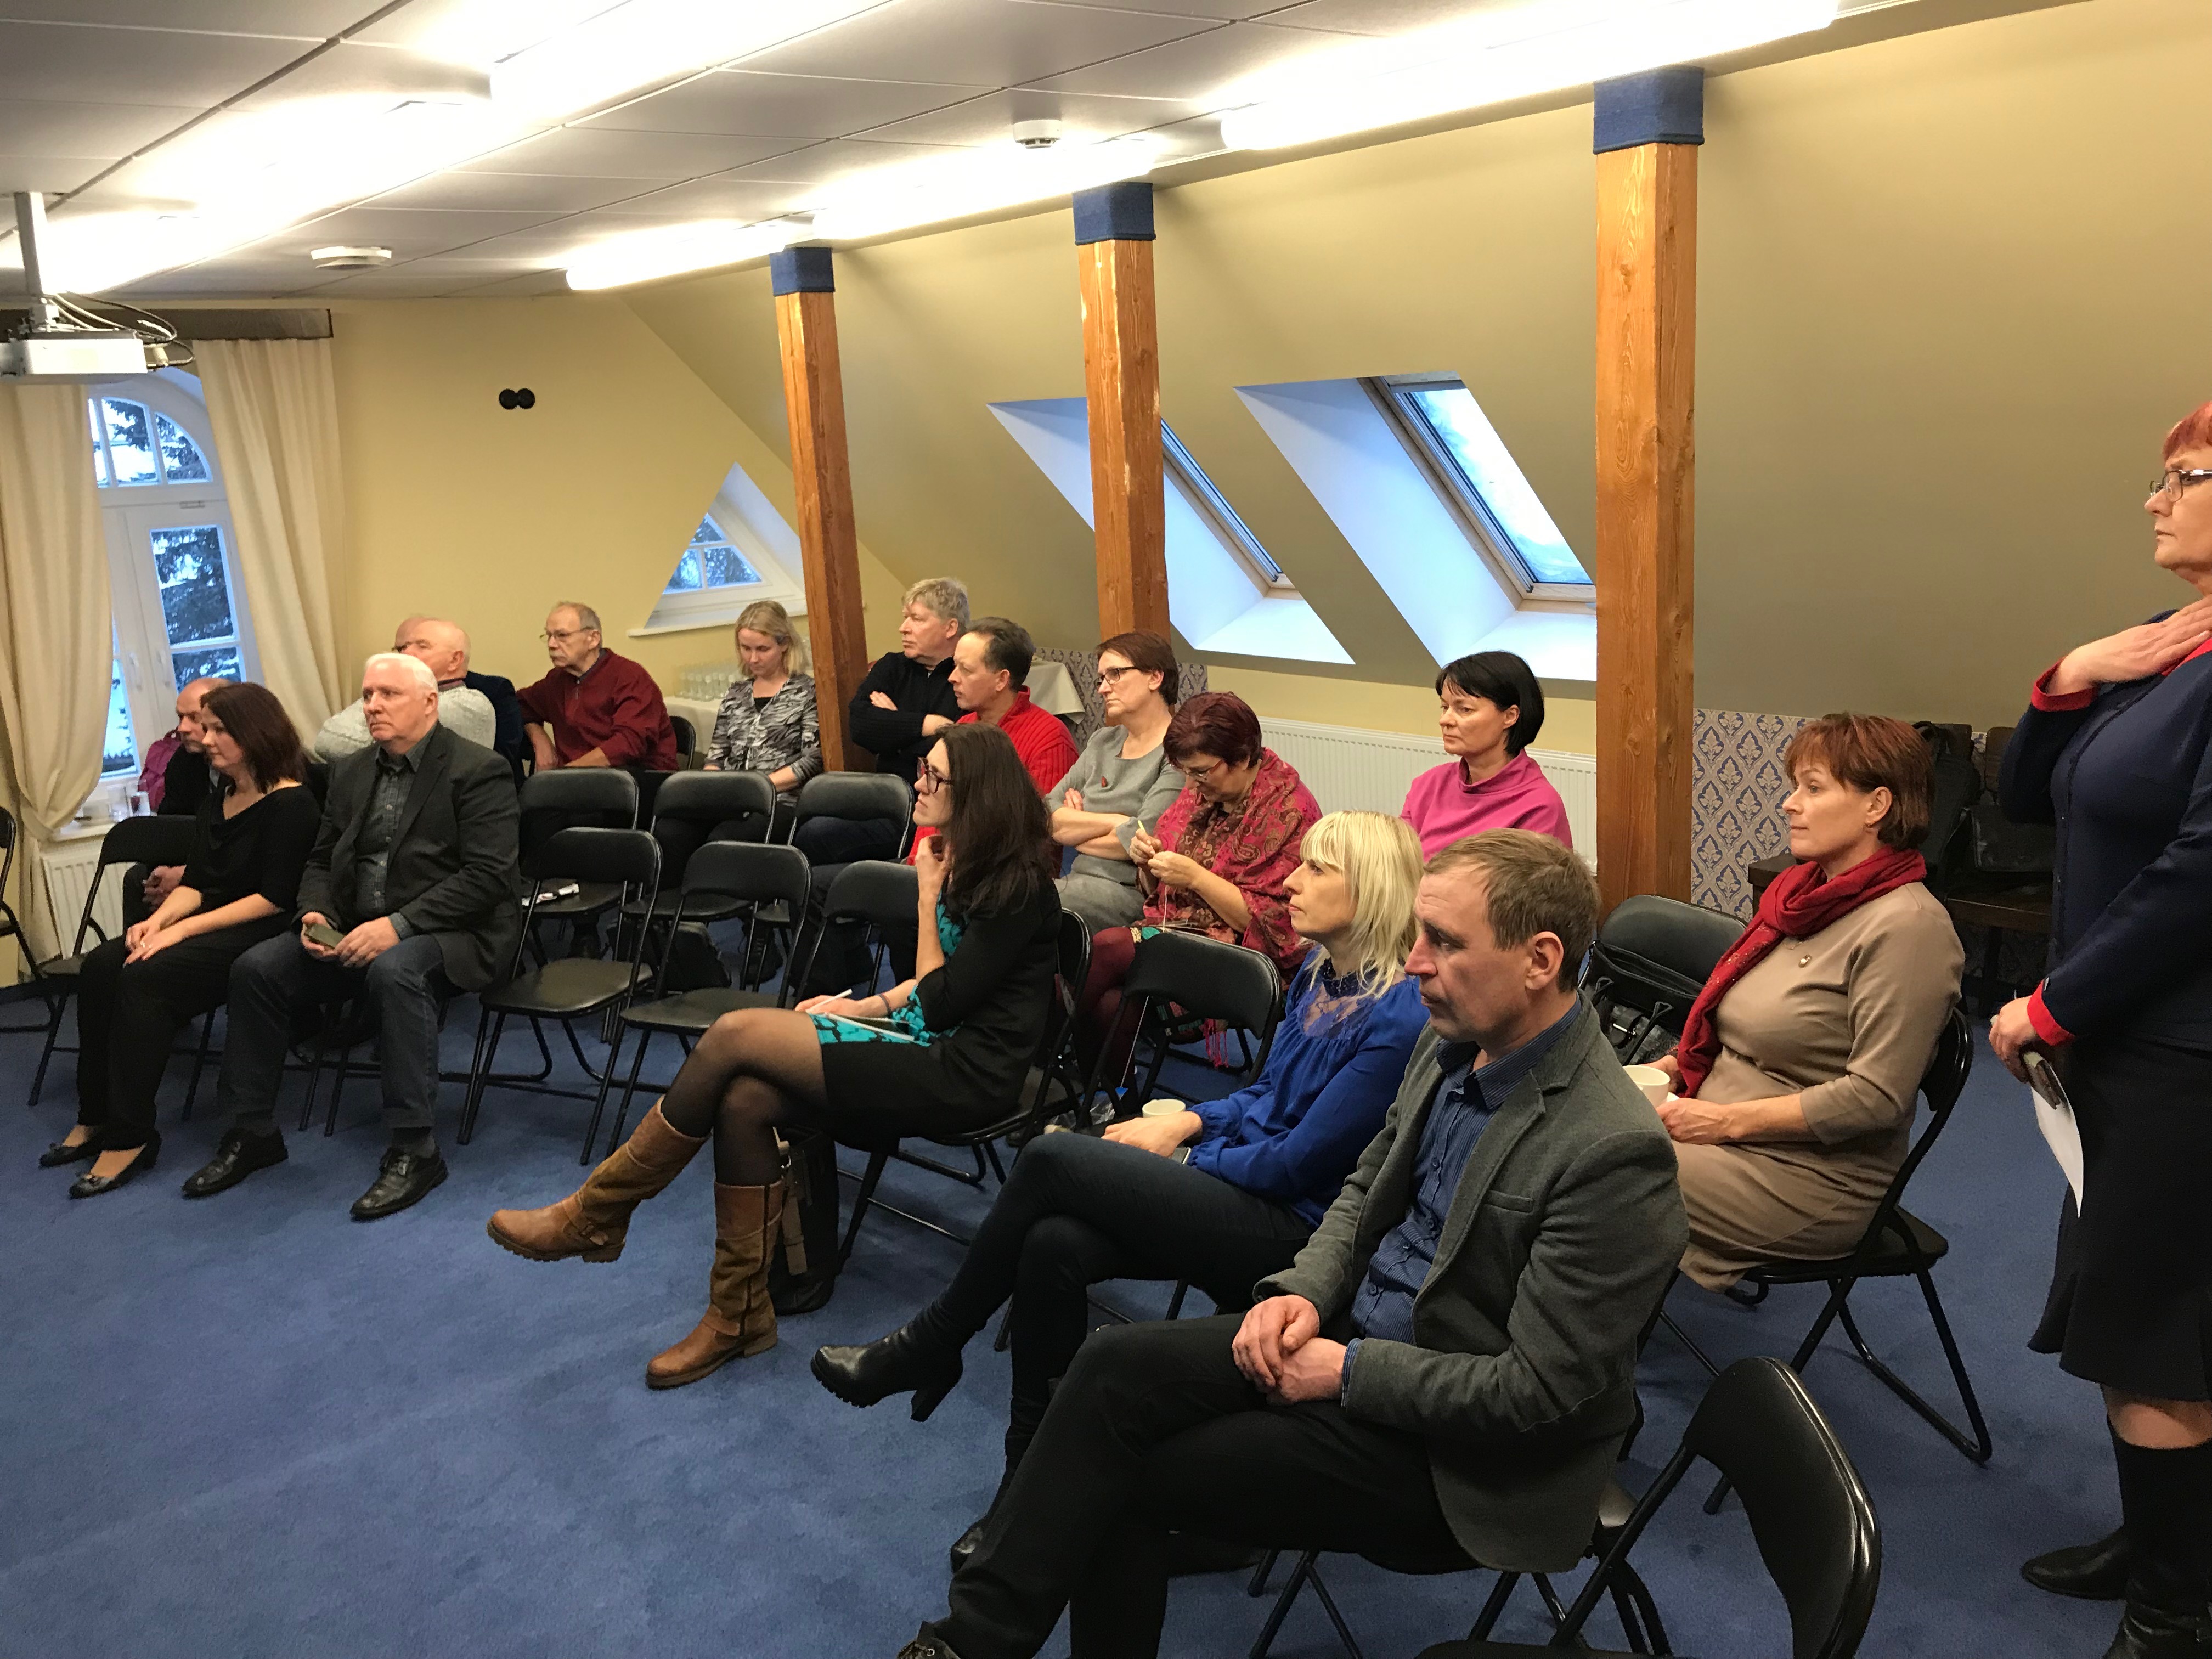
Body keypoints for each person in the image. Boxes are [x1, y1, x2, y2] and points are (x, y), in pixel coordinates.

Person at [890, 830, 1688, 1659]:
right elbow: (1362, 1195)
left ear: (1540, 960)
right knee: (1109, 1368)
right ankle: (968, 1642)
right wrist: (1303, 1291)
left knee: (1123, 1472)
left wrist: (1347, 1370)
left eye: (1445, 943)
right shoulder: (1453, 1041)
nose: (1416, 962)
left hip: (1462, 1459)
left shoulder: (1612, 1152)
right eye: (1419, 934)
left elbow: (1532, 1393)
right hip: (1357, 1335)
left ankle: (971, 1641)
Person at [815, 810, 1428, 1573]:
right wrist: (1188, 1121)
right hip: (1245, 1188)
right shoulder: (1319, 973)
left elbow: (1297, 1164)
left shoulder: (1399, 1018)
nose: (1292, 883)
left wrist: (1184, 1158)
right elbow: (1262, 1099)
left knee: (1052, 1160)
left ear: (1370, 890)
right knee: (1052, 1245)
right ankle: (1024, 1492)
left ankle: (932, 1344)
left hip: (1298, 1232)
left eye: (1316, 870)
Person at [484, 723, 1063, 1389]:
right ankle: (738, 1315)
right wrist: (861, 1006)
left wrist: (927, 898)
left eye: (934, 776)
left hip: (967, 1072)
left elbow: (940, 1001)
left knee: (735, 1034)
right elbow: (933, 988)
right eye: (922, 770)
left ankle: (598, 1212)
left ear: (978, 792)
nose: (918, 783)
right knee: (745, 1099)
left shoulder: (1019, 886)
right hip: (923, 1039)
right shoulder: (962, 857)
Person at [1990, 402, 2212, 1658]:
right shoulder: (2165, 650)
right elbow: (2033, 796)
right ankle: (2164, 1542)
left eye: (2185, 475)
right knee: (2138, 1314)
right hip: (2121, 1045)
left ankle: (2174, 1616)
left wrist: (2053, 1004)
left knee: (2155, 1336)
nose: (2153, 498)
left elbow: (2201, 877)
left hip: (2183, 1051)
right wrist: (2073, 673)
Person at [180, 653, 522, 1221]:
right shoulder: (352, 771)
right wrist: (314, 912)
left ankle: (416, 1148)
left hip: (455, 930)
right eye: (367, 695)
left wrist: (397, 926)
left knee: (396, 970)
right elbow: (321, 859)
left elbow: (488, 878)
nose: (372, 707)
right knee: (257, 969)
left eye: (388, 694)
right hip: (356, 925)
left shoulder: (478, 770)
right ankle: (251, 1131)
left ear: (430, 703)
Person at [1646, 714, 1962, 1289]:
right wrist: (1667, 1069)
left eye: (1813, 788)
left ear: (1877, 806)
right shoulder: (1799, 896)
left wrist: (1723, 1122)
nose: (1790, 804)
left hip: (1810, 1178)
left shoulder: (1910, 929)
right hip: (1721, 1128)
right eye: (1796, 787)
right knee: (1568, 1125)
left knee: (1589, 1163)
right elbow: (1738, 1023)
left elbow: (1876, 1099)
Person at [40, 684, 318, 1197]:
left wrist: (181, 930)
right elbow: (197, 882)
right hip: (213, 919)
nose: (204, 740)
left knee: (145, 976)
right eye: (205, 728)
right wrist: (159, 922)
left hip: (263, 926)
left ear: (255, 734)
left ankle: (131, 1136)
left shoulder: (292, 803)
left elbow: (274, 898)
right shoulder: (221, 797)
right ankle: (95, 1115)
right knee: (103, 965)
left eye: (218, 730)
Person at [1077, 690, 1322, 1077]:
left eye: (1202, 772)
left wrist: (1195, 877)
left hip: (1244, 960)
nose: (1191, 784)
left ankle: (1042, 1035)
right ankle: (1113, 1099)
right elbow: (1160, 894)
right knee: (1111, 1001)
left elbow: (1280, 926)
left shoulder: (1290, 811)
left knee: (1109, 946)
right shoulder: (1202, 791)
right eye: (1186, 772)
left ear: (1243, 758)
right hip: (1180, 936)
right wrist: (1148, 862)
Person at [793, 578, 967, 994]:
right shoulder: (893, 666)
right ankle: (838, 967)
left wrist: (894, 723)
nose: (904, 627)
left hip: (922, 814)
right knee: (809, 837)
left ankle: (839, 966)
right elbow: (860, 726)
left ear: (950, 628)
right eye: (905, 617)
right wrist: (924, 723)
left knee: (819, 853)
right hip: (883, 801)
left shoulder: (962, 677)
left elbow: (956, 743)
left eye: (916, 619)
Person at [1049, 631, 1183, 933]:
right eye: (1102, 678)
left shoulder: (1177, 752)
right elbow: (1046, 814)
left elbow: (1143, 841)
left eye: (1115, 674)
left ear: (1155, 678)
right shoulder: (1102, 741)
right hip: (1075, 879)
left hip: (1129, 890)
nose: (1102, 688)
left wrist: (1074, 829)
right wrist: (1118, 822)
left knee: (1026, 905)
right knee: (1001, 895)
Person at [1400, 650, 1572, 859]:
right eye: (1445, 707)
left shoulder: (1539, 807)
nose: (1445, 720)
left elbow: (1533, 881)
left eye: (1465, 709)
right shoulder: (1428, 785)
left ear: (1510, 716)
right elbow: (1397, 865)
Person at [517, 601, 681, 778]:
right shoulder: (557, 680)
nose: (551, 644)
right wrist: (540, 740)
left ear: (593, 639)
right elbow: (519, 704)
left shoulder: (629, 677)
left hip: (635, 780)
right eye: (549, 636)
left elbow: (628, 744)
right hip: (581, 781)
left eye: (562, 636)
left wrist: (563, 775)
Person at [703, 599, 823, 840]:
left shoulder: (808, 692)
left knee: (724, 838)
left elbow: (812, 761)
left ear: (784, 644)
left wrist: (755, 789)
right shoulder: (736, 693)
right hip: (732, 799)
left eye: (762, 649)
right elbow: (717, 756)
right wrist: (712, 787)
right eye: (746, 649)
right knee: (674, 831)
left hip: (781, 801)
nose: (753, 659)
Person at [312, 616, 497, 760]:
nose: (407, 654)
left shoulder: (469, 704)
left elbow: (333, 743)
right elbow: (327, 739)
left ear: (455, 660)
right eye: (404, 648)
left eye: (422, 646)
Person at [127, 675, 229, 927]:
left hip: (230, 874)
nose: (182, 728)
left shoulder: (245, 767)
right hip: (198, 862)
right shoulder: (184, 761)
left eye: (193, 718)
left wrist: (187, 875)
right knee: (139, 879)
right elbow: (169, 826)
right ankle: (141, 939)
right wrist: (162, 872)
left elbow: (238, 844)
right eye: (180, 717)